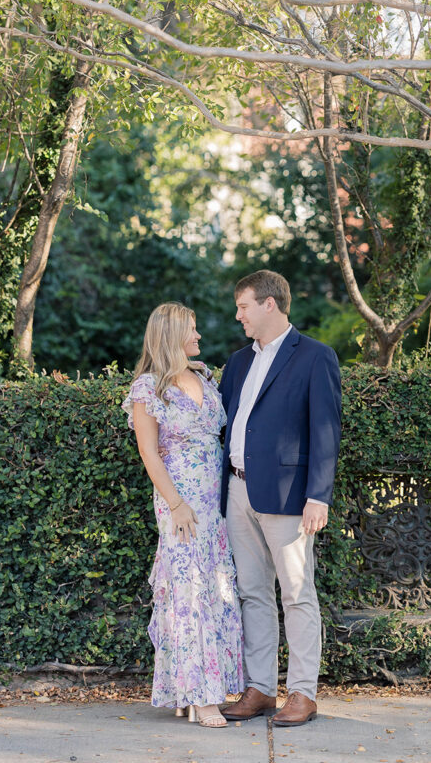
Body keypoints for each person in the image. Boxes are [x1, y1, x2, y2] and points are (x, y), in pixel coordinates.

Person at [219, 270, 341, 727]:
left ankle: (303, 694)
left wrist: (318, 496)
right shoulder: (237, 363)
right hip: (237, 490)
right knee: (252, 593)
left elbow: (326, 431)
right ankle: (261, 689)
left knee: (296, 593)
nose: (239, 316)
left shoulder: (314, 357)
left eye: (244, 306)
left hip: (290, 497)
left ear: (270, 304)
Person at [123, 302, 244, 727]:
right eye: (191, 330)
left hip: (215, 503)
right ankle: (202, 697)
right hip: (180, 502)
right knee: (187, 593)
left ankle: (192, 689)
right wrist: (176, 503)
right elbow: (148, 452)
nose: (198, 337)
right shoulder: (149, 387)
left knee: (214, 589)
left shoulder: (205, 378)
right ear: (171, 335)